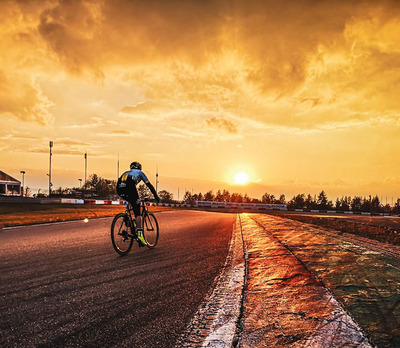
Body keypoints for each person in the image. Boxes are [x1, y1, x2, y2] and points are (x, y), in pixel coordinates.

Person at [116, 161, 160, 246]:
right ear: (139, 168)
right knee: (137, 212)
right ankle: (140, 236)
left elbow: (121, 182)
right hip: (130, 184)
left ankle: (128, 220)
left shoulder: (126, 172)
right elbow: (149, 185)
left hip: (119, 187)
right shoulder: (140, 173)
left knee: (131, 200)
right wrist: (156, 196)